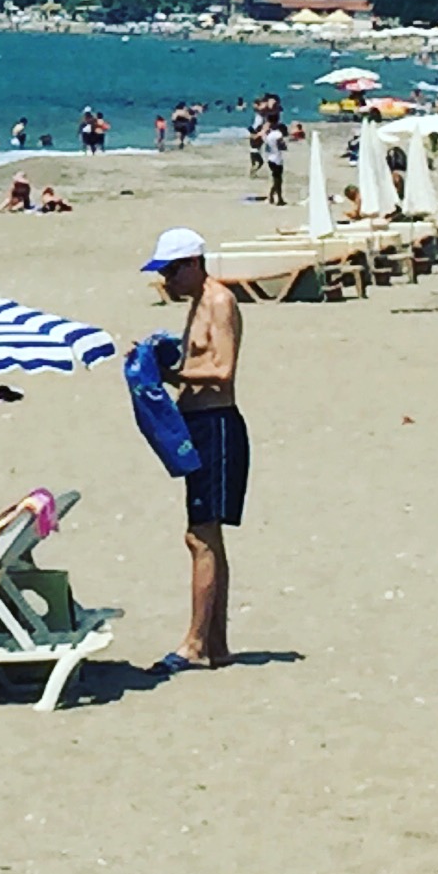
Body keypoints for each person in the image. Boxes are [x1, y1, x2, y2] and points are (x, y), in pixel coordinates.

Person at [141, 226, 246, 671]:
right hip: (198, 425)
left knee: (201, 537)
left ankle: (194, 642)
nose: (166, 280)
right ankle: (217, 644)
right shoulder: (196, 303)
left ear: (194, 264)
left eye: (171, 271)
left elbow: (222, 369)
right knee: (206, 537)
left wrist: (172, 377)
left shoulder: (219, 301)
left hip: (216, 425)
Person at [261, 119, 288, 205]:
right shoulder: (278, 135)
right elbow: (282, 146)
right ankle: (279, 199)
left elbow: (267, 148)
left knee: (276, 180)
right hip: (277, 160)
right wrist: (284, 145)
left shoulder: (269, 135)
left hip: (270, 159)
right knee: (278, 181)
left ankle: (271, 196)